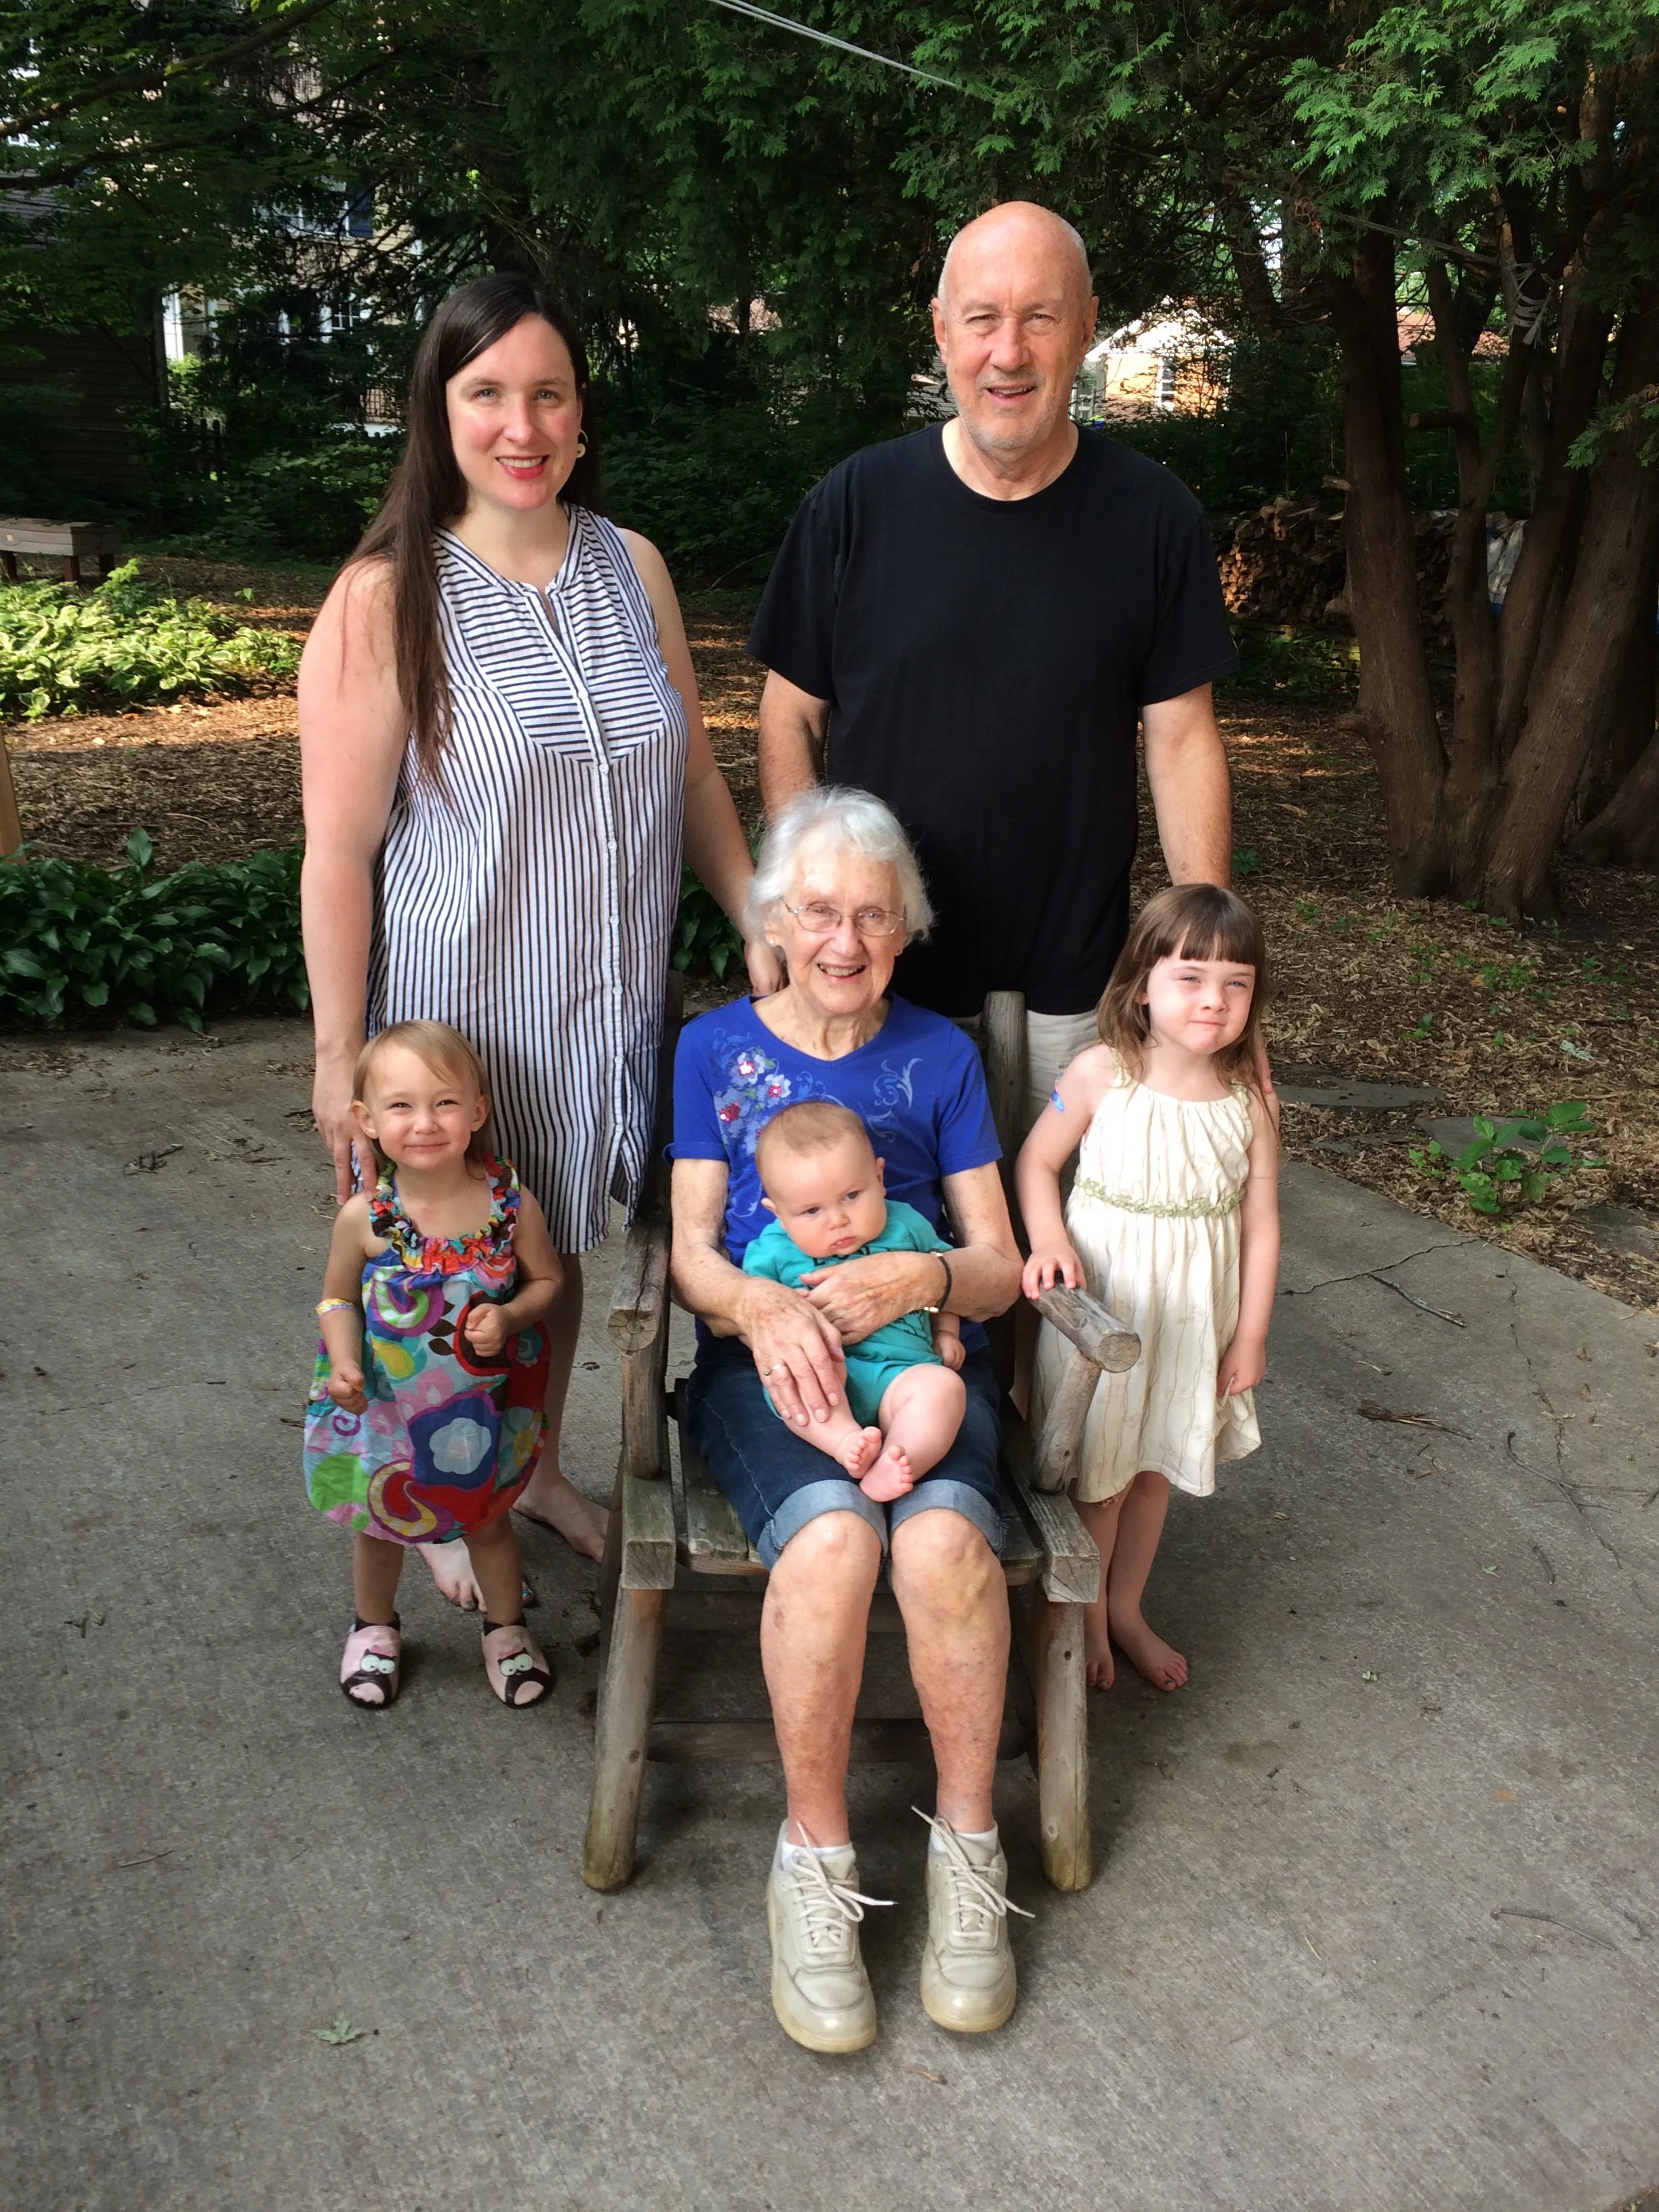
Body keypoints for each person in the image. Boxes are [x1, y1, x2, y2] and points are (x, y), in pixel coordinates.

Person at [299, 272, 769, 1606]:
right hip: (458, 1021)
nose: (523, 422)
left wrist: (756, 921)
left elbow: (687, 777)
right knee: (442, 1272)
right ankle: (428, 1493)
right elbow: (336, 851)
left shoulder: (636, 571)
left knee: (549, 1255)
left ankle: (535, 1469)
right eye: (488, 393)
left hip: (610, 1002)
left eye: (548, 392)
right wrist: (340, 1055)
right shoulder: (386, 599)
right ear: (437, 410)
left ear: (581, 411)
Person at [752, 199, 1241, 1134]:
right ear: (943, 332)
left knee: (1069, 1260)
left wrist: (1201, 951)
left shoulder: (1152, 518)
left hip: (1077, 982)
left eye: (1039, 318)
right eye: (982, 319)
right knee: (893, 1250)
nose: (1007, 352)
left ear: (1088, 326)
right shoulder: (855, 506)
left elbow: (1180, 744)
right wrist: (808, 912)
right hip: (886, 978)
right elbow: (787, 718)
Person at [671, 786, 1029, 2053]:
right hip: (769, 1369)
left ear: (904, 929)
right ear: (774, 913)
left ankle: (967, 1853)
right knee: (832, 1537)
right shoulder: (713, 1047)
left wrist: (920, 1276)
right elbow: (689, 1256)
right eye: (816, 908)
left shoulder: (939, 1055)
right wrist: (761, 1305)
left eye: (871, 915)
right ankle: (814, 1861)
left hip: (919, 1359)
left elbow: (995, 1256)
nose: (841, 937)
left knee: (935, 1543)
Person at [1017, 885, 1280, 1694]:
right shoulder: (1102, 1074)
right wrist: (1051, 1237)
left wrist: (1250, 1337)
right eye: (1192, 977)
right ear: (1142, 986)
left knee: (1157, 1467)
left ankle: (1126, 1607)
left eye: (1236, 983)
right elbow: (1036, 1162)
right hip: (1109, 1314)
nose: (1214, 999)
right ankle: (1088, 1616)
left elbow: (1263, 1224)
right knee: (1102, 1476)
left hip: (1194, 1319)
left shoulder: (1250, 1105)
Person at [306, 1021, 559, 1708]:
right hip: (387, 1407)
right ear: (365, 1119)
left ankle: (507, 1630)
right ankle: (374, 1629)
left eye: (445, 1103)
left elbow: (547, 1283)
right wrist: (345, 1361)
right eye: (401, 1106)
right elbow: (336, 1296)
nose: (425, 1123)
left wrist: (509, 1316)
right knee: (380, 1529)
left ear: (478, 1111)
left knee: (488, 1522)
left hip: (481, 1412)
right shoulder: (366, 1217)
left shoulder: (510, 1206)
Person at [743, 1100, 966, 1502]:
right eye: (811, 1210)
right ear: (779, 1214)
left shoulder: (907, 1225)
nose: (837, 1219)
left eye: (851, 1195)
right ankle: (845, 1443)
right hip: (822, 1376)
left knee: (944, 1388)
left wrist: (947, 1332)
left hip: (904, 1373)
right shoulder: (770, 1253)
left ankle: (899, 1457)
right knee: (791, 1385)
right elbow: (755, 1326)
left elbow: (945, 1279)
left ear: (879, 1178)